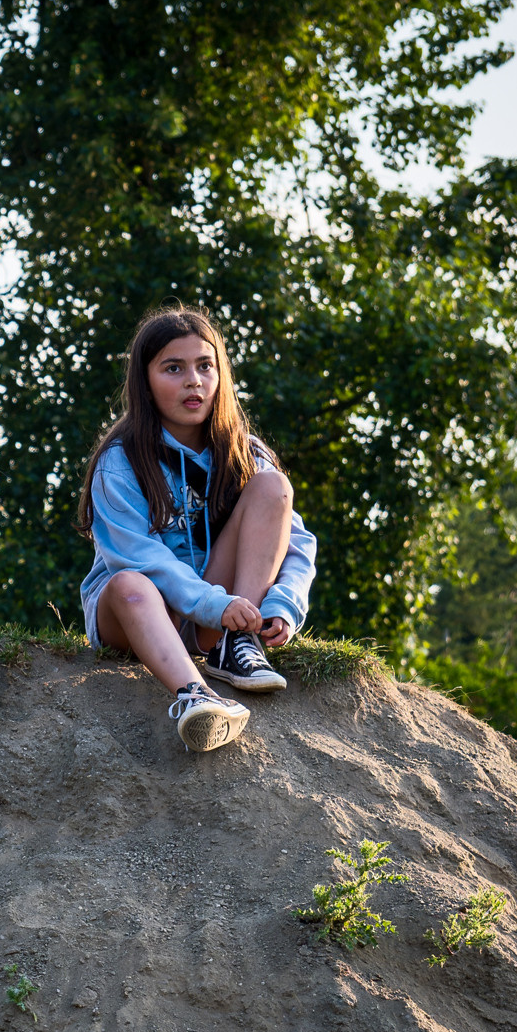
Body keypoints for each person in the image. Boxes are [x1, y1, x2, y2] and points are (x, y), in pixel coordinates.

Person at [76, 306, 318, 753]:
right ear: (144, 382)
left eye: (205, 366)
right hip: (140, 616)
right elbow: (137, 556)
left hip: (220, 612)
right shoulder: (120, 460)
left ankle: (236, 644)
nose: (194, 380)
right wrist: (213, 602)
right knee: (132, 582)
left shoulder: (244, 452)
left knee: (273, 487)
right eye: (174, 368)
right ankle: (195, 696)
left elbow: (295, 542)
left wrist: (282, 605)